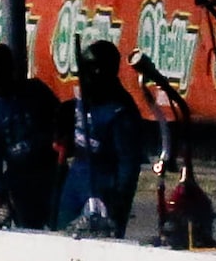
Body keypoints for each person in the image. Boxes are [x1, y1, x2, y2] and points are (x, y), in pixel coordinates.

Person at [56, 37, 149, 238]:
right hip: (77, 177)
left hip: (104, 184)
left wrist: (118, 202)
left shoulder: (120, 111)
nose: (83, 76)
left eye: (90, 69)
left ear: (102, 71)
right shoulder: (84, 97)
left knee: (98, 240)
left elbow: (128, 164)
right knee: (62, 235)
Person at [0, 41, 62, 229]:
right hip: (21, 182)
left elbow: (60, 118)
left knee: (62, 228)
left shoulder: (36, 91)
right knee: (30, 232)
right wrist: (3, 197)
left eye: (1, 64)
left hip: (53, 172)